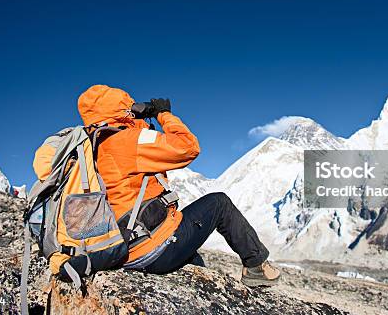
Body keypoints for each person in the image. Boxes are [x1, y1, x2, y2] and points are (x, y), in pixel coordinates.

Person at [77, 85, 280, 286]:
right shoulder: (127, 140)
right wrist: (163, 114)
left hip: (121, 250)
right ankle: (256, 267)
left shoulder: (91, 151)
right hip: (152, 248)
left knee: (192, 253)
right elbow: (187, 146)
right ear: (124, 109)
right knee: (219, 203)